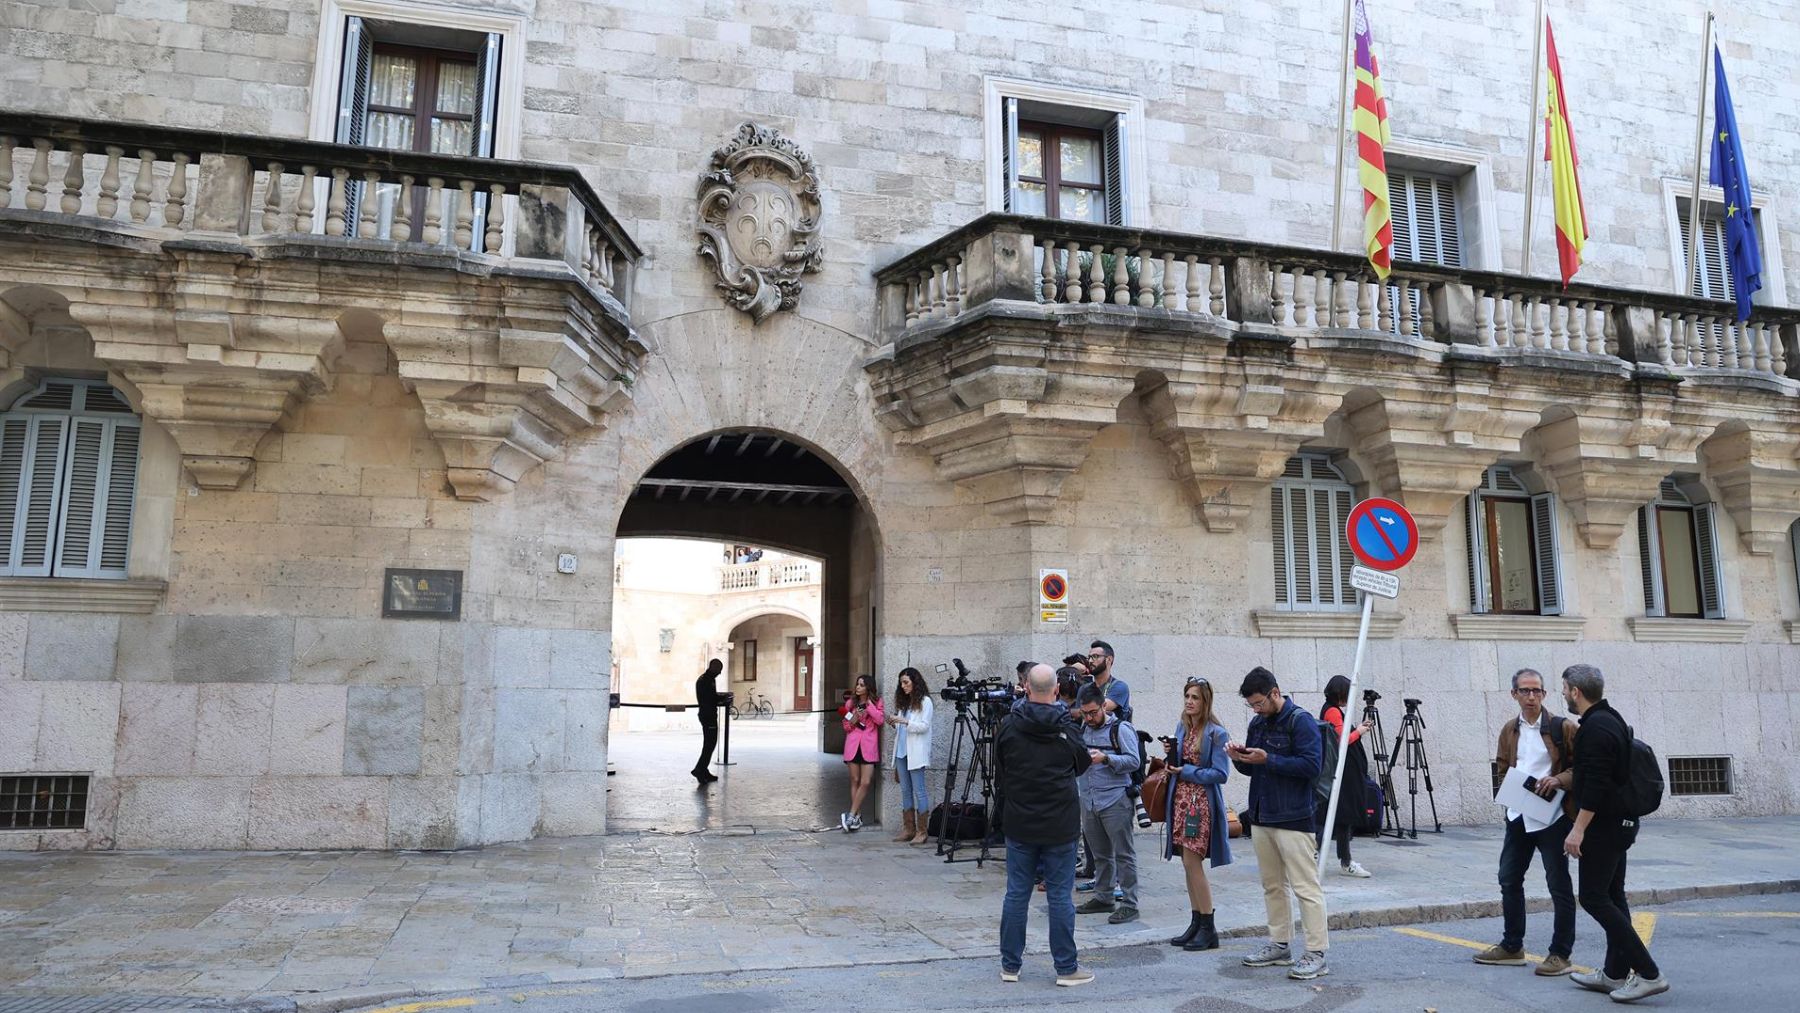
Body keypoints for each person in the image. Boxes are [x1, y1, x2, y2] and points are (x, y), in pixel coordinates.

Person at [1562, 664, 1668, 1003]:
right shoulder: (1611, 719)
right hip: (1620, 823)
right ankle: (1614, 973)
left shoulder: (1594, 730)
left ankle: (1649, 974)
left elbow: (1594, 786)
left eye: (1564, 689)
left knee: (1594, 898)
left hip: (1603, 827)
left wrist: (1578, 830)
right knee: (1614, 896)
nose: (1563, 694)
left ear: (1576, 692)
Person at [1473, 668, 1578, 976]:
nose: (1531, 696)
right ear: (1514, 694)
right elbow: (1503, 768)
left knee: (1558, 885)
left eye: (1537, 691)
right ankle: (1512, 946)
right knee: (1508, 879)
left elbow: (1581, 768)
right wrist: (1513, 790)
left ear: (1544, 694)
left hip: (1553, 818)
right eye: (1525, 691)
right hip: (1519, 814)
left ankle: (1560, 954)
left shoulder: (1563, 728)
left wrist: (1557, 780)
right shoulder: (1509, 730)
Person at [995, 663, 1095, 987]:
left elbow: (1002, 770)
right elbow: (1080, 765)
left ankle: (1010, 965)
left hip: (1021, 822)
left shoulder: (1008, 727)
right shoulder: (1067, 728)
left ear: (1026, 688)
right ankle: (1066, 968)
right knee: (1060, 897)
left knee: (1016, 894)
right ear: (1055, 691)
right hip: (1059, 824)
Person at [1230, 666, 1330, 981]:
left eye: (1259, 702)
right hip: (1262, 814)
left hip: (1294, 816)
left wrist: (1268, 760)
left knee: (1305, 887)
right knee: (1272, 885)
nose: (1256, 709)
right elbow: (1252, 769)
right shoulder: (1258, 723)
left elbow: (1311, 765)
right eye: (1252, 705)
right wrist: (1239, 757)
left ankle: (1316, 952)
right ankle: (1280, 944)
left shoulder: (1301, 722)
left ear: (1275, 693)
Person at [1163, 676, 1232, 951]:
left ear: (1205, 702)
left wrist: (1187, 771)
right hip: (1180, 801)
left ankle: (1208, 927)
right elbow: (1181, 762)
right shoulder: (1182, 726)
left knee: (1194, 864)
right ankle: (1195, 922)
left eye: (1195, 698)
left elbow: (1221, 773)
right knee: (1186, 864)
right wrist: (1171, 756)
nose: (1190, 702)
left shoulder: (1216, 732)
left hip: (1199, 805)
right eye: (1187, 696)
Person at [1073, 683, 1141, 924]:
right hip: (1089, 799)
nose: (1089, 718)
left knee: (1124, 854)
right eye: (1084, 713)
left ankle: (1130, 904)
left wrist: (1107, 759)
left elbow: (1134, 761)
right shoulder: (1083, 727)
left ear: (1104, 705)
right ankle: (1103, 897)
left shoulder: (1121, 728)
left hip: (1115, 799)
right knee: (1100, 854)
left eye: (1093, 712)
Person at [1316, 675, 1374, 879]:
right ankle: (1340, 859)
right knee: (1340, 815)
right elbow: (1342, 740)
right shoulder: (1332, 711)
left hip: (1346, 771)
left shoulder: (1331, 709)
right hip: (1344, 772)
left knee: (1340, 817)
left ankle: (1343, 859)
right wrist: (1359, 731)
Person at [1086, 640, 1147, 827]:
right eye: (1089, 657)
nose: (1091, 660)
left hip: (1116, 753)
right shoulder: (1086, 688)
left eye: (1095, 656)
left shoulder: (1119, 687)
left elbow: (1100, 708)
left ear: (1109, 660)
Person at [889, 667, 935, 845]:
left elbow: (924, 726)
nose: (903, 686)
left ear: (915, 682)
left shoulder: (925, 702)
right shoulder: (904, 703)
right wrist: (895, 723)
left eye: (906, 682)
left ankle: (922, 831)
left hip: (915, 752)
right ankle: (908, 829)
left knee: (919, 791)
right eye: (901, 683)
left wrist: (905, 721)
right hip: (901, 751)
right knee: (905, 791)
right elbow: (905, 728)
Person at [837, 674, 884, 832]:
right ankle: (857, 816)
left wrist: (869, 706)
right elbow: (846, 727)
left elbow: (880, 720)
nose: (858, 687)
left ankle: (851, 815)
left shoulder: (877, 702)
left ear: (868, 687)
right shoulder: (850, 703)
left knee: (865, 782)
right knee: (855, 780)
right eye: (857, 684)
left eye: (862, 685)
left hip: (868, 747)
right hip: (853, 745)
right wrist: (854, 719)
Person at [691, 659, 723, 784]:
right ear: (713, 668)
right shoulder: (705, 680)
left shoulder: (708, 679)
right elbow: (709, 699)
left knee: (710, 744)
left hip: (708, 715)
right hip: (708, 716)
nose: (720, 673)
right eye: (719, 670)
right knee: (709, 744)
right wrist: (721, 698)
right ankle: (699, 769)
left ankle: (703, 770)